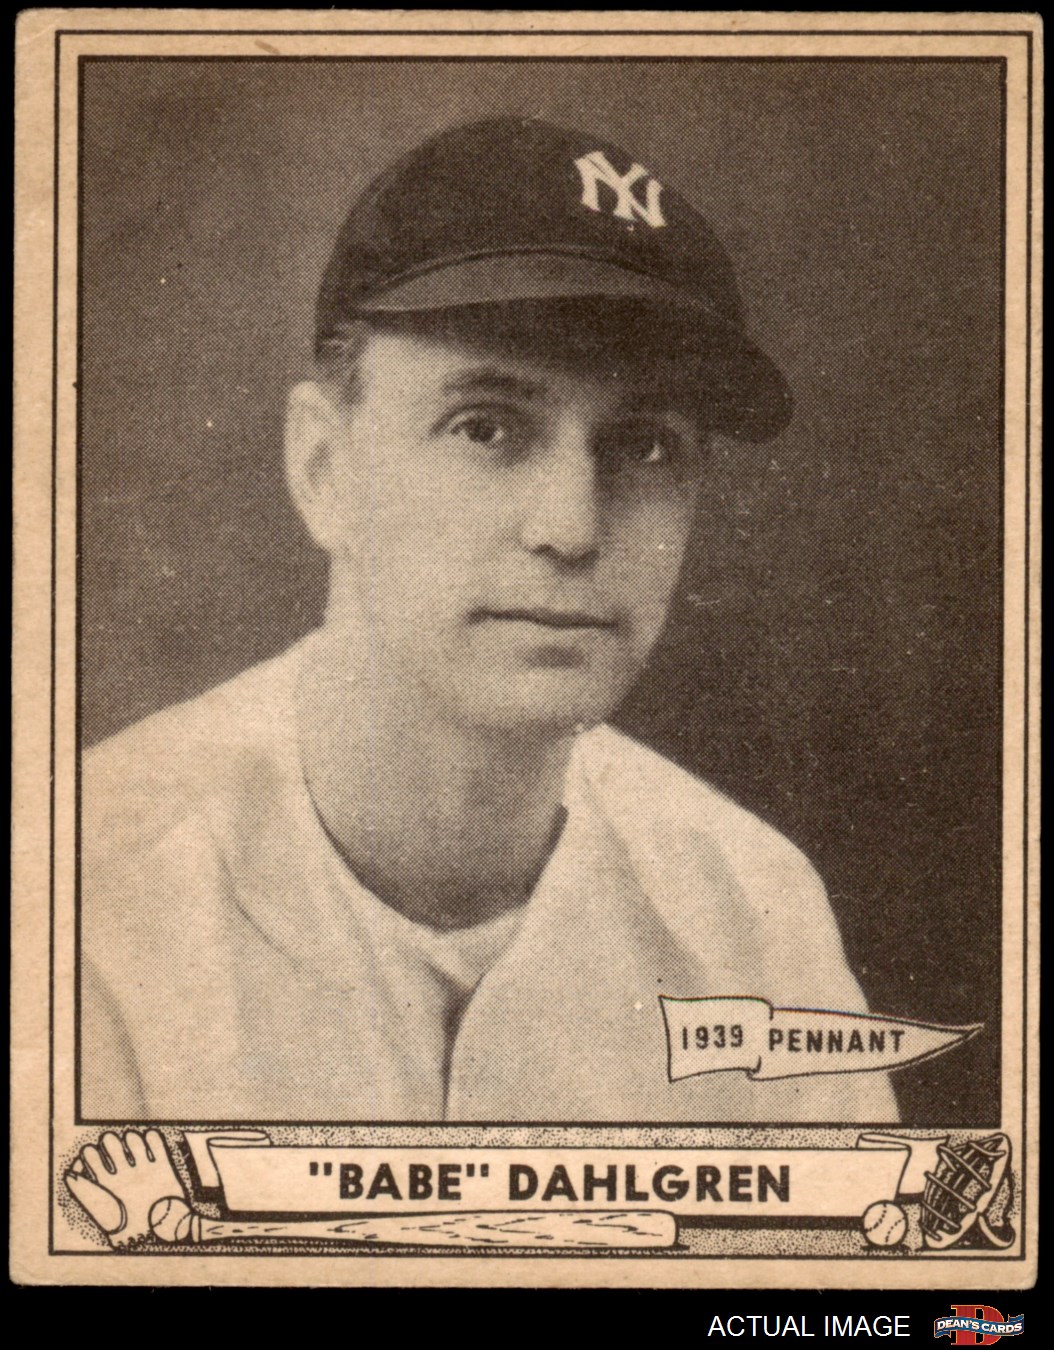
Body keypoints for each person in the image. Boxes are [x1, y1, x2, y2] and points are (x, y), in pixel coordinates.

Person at [81, 116, 899, 1123]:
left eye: (644, 447)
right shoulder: (85, 891)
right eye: (486, 427)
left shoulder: (754, 910)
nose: (571, 528)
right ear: (324, 469)